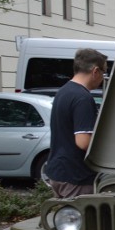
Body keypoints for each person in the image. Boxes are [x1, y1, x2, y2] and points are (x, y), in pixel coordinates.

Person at [44, 48, 107, 198]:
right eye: (104, 73)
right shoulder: (82, 98)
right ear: (95, 71)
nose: (102, 78)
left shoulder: (64, 91)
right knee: (85, 221)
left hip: (58, 171)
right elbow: (83, 142)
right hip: (76, 176)